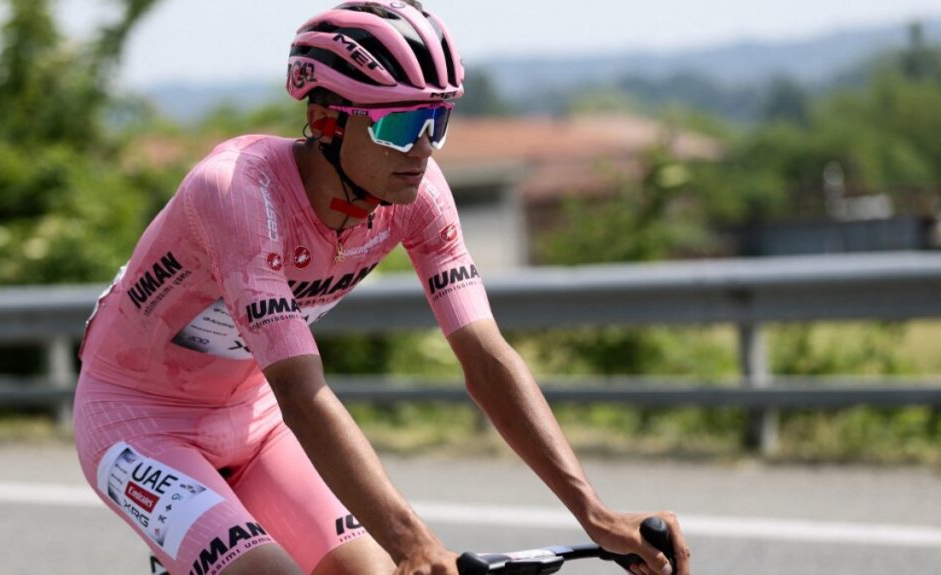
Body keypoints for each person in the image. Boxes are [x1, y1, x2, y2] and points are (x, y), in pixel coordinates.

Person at [73, 2, 691, 575]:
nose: (422, 149)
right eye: (400, 125)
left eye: (437, 120)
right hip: (139, 423)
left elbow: (485, 357)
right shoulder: (237, 194)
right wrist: (412, 541)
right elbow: (302, 391)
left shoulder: (418, 196)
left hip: (253, 423)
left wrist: (595, 512)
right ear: (325, 121)